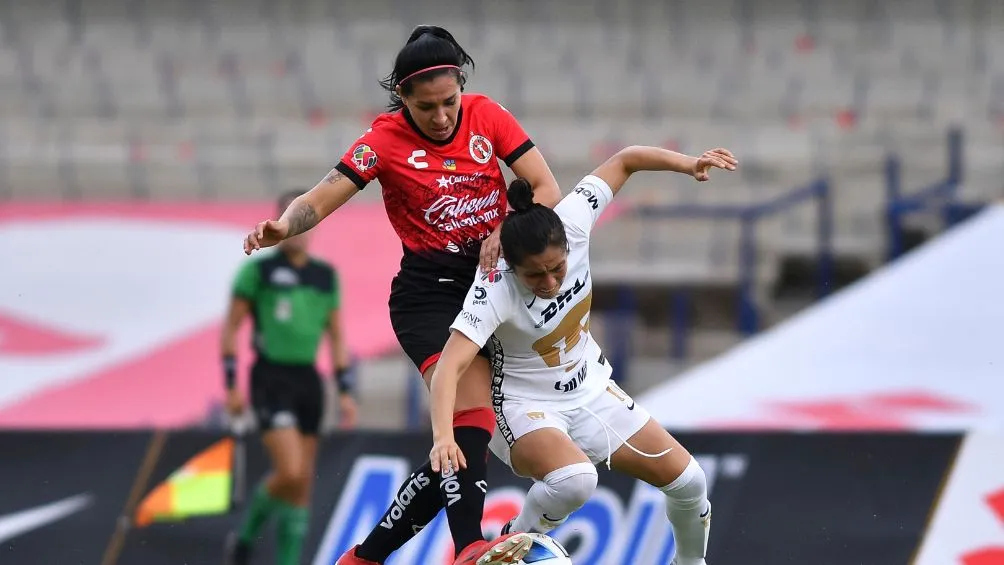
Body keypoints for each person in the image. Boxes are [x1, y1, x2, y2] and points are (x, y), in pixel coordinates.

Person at [242, 25, 562, 565]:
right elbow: (320, 198)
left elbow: (547, 188)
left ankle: (364, 559)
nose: (440, 117)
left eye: (448, 102)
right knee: (471, 418)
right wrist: (284, 226)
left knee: (466, 433)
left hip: (490, 288)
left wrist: (504, 228)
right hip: (428, 295)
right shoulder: (383, 141)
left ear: (461, 87)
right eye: (425, 107)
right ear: (403, 100)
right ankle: (468, 549)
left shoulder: (488, 115)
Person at [428, 145, 740, 565]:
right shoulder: (494, 287)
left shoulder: (572, 221)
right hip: (524, 407)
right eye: (535, 275)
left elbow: (625, 160)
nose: (551, 281)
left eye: (557, 267)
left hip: (591, 390)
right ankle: (512, 544)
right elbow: (451, 364)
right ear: (512, 266)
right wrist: (444, 437)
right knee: (576, 480)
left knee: (690, 483)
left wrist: (687, 164)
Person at [223, 189, 359, 565]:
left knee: (301, 485)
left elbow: (336, 336)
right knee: (290, 470)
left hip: (308, 383)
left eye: (306, 221)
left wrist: (345, 388)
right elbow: (231, 329)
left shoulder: (324, 276)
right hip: (271, 378)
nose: (299, 230)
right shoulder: (259, 270)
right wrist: (231, 384)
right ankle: (246, 535)